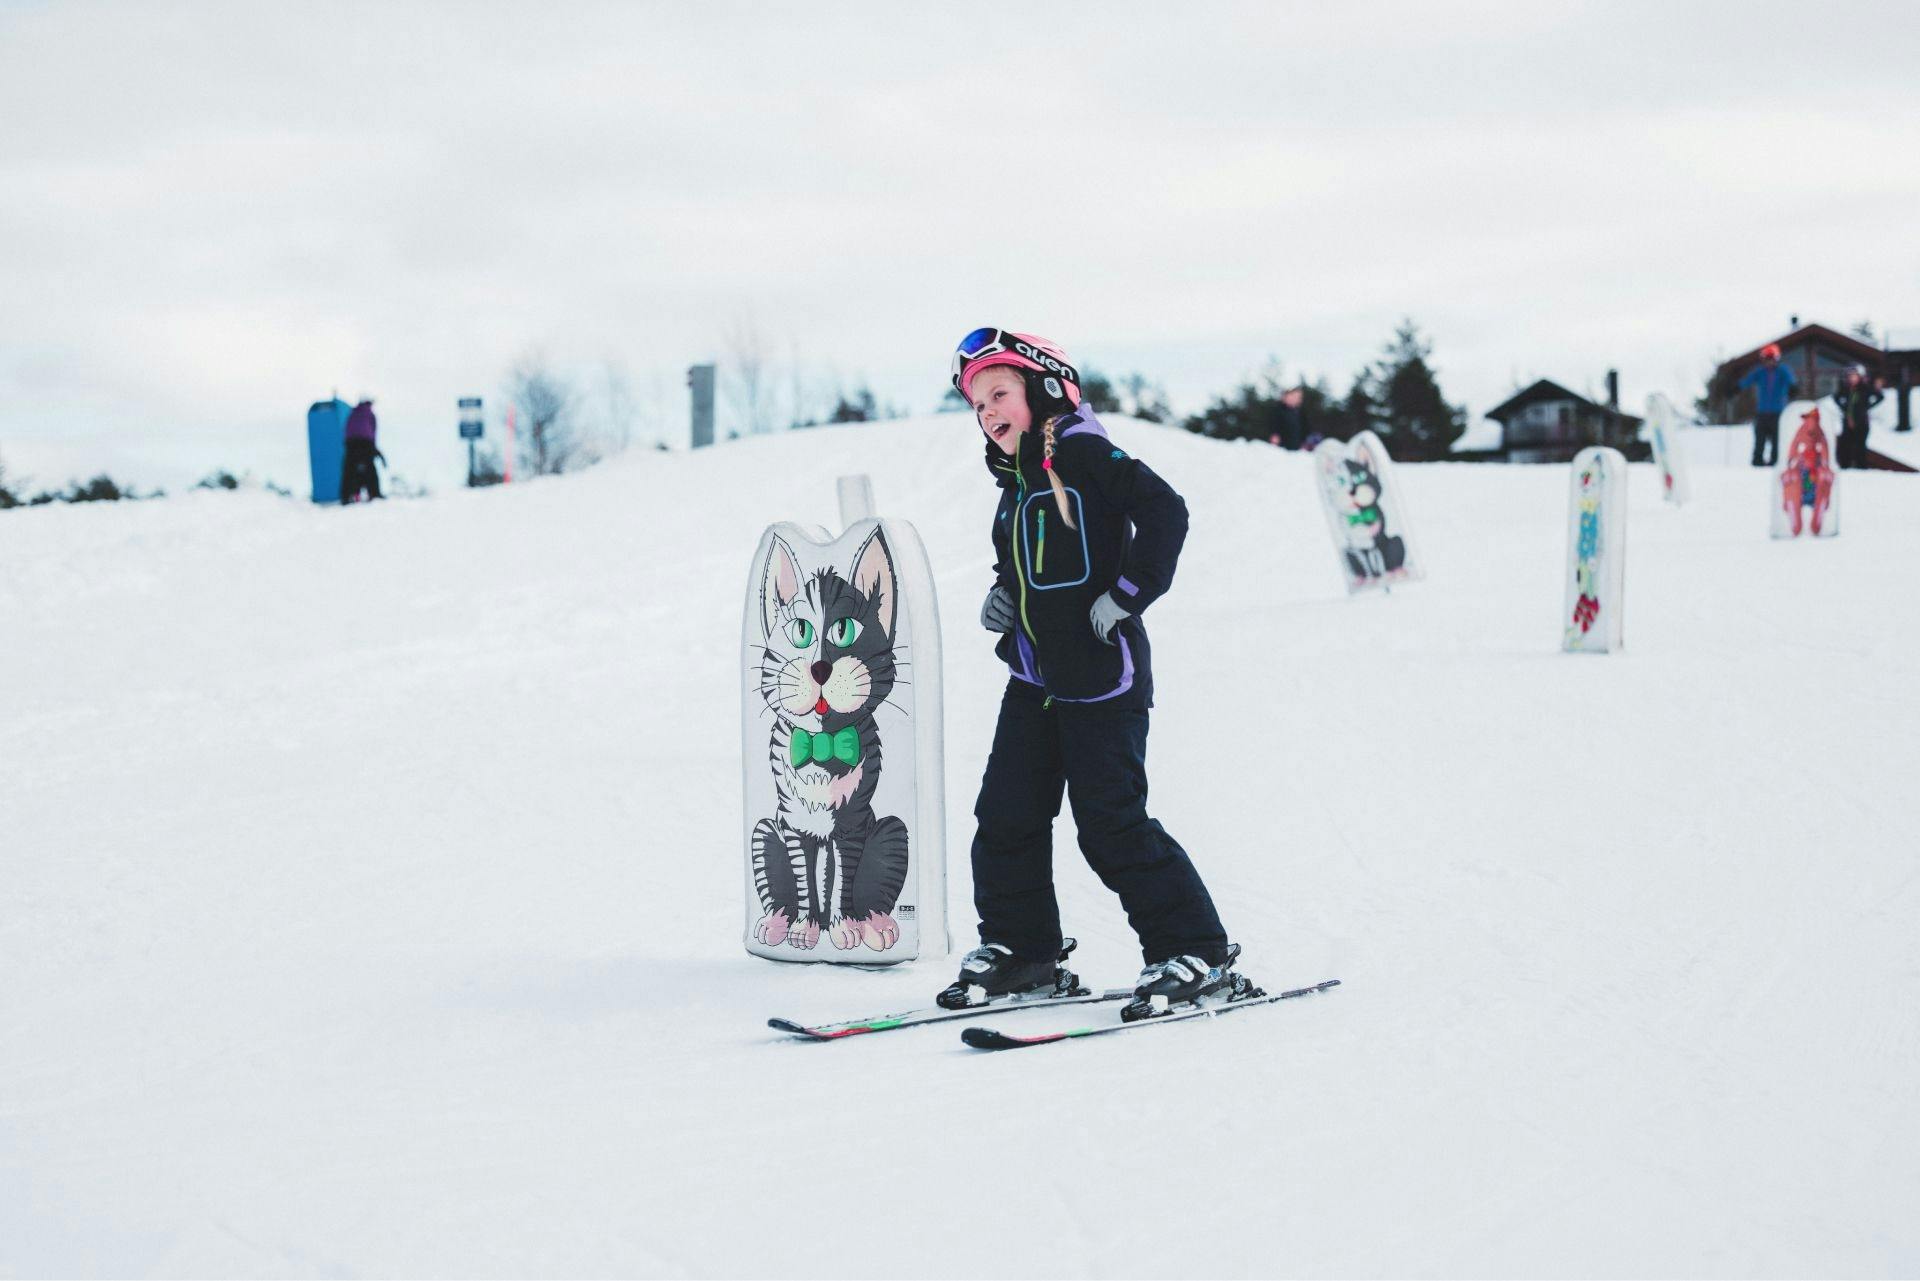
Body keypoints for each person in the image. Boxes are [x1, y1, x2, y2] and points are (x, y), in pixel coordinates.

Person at [938, 327, 1247, 1022]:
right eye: (977, 404)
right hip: (1035, 677)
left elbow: (1165, 510)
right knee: (1006, 814)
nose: (987, 411)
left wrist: (1130, 592)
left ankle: (1194, 947)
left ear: (1044, 390)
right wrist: (1003, 597)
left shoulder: (1078, 448)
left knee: (1110, 822)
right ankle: (1023, 950)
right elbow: (1025, 562)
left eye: (999, 393)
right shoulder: (1015, 482)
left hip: (1105, 677)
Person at [1737, 344, 1796, 467]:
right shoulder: (1760, 372)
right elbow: (1747, 381)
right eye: (1767, 358)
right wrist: (1736, 388)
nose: (1769, 361)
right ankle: (1757, 460)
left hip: (1778, 412)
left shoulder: (1782, 371)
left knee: (1777, 438)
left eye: (1772, 358)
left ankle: (1776, 461)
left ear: (1776, 358)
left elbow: (1791, 381)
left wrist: (1793, 388)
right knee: (1760, 438)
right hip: (1762, 412)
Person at [1832, 365, 1884, 470]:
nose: (1852, 378)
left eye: (1854, 376)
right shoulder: (1846, 388)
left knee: (1860, 445)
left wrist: (1867, 406)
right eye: (1850, 376)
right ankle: (1845, 465)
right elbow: (1836, 397)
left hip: (1861, 421)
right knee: (1845, 444)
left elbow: (1880, 397)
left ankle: (1861, 466)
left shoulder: (1865, 388)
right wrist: (1844, 408)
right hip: (1848, 421)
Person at [340, 399, 385, 503]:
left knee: (349, 470)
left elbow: (346, 429)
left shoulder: (353, 413)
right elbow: (373, 431)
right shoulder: (370, 414)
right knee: (370, 469)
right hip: (365, 443)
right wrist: (373, 448)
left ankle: (346, 495)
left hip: (351, 444)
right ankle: (374, 493)